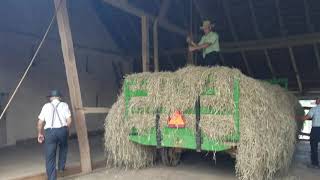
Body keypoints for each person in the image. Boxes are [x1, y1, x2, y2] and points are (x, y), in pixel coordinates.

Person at [37, 90, 72, 180]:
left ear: (51, 98)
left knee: (50, 156)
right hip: (62, 130)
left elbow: (40, 122)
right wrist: (66, 130)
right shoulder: (65, 105)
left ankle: (52, 178)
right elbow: (69, 120)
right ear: (59, 97)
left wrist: (40, 133)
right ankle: (61, 167)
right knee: (64, 147)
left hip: (50, 132)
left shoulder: (46, 106)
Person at [300, 97, 320, 169]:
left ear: (318, 101)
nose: (315, 101)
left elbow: (306, 117)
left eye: (316, 100)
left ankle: (315, 164)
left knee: (314, 146)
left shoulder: (314, 109)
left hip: (316, 130)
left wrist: (297, 118)